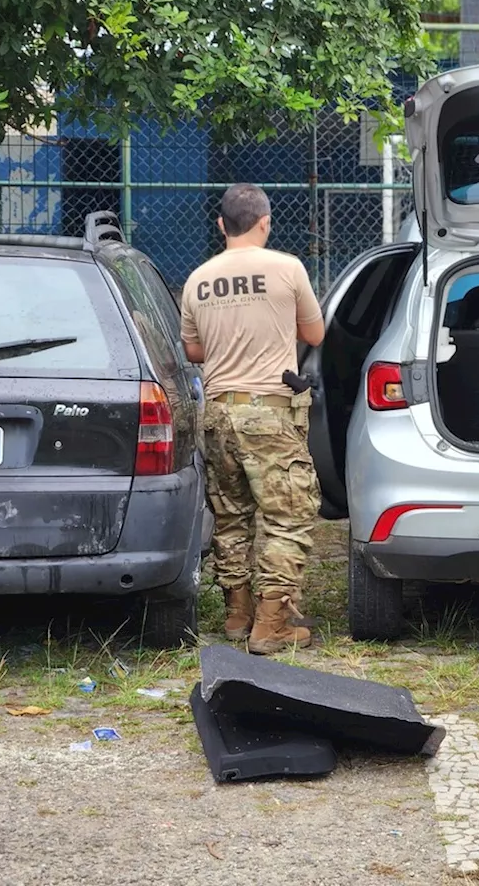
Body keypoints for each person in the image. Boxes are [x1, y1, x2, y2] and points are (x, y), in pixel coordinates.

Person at [180, 183, 326, 655]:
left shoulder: (198, 278)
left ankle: (238, 615)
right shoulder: (287, 268)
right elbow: (315, 333)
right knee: (287, 519)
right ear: (265, 222)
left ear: (221, 225)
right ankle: (272, 624)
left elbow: (194, 350)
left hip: (218, 412)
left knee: (231, 517)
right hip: (269, 413)